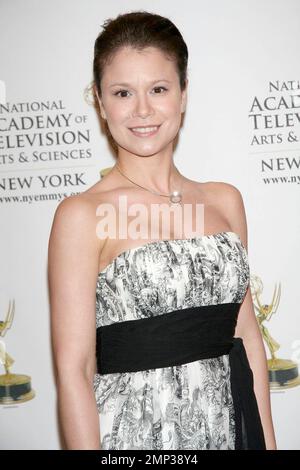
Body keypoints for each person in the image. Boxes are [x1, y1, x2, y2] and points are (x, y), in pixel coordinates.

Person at [48, 10, 277, 450]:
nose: (143, 111)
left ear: (183, 94)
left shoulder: (224, 200)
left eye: (158, 89)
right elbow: (74, 371)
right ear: (99, 101)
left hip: (229, 430)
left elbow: (247, 338)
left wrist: (266, 441)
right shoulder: (81, 214)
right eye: (122, 93)